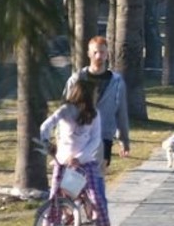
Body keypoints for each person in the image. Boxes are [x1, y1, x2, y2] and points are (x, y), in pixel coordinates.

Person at [40, 79, 110, 226]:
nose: (97, 95)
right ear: (86, 94)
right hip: (63, 163)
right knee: (55, 200)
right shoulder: (65, 110)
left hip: (86, 164)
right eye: (95, 93)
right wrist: (47, 143)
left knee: (97, 199)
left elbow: (95, 140)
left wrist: (79, 158)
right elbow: (45, 126)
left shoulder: (95, 114)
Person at [64, 36, 130, 169]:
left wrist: (124, 140)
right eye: (95, 52)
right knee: (76, 179)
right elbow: (65, 111)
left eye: (102, 52)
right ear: (89, 54)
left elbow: (121, 112)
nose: (99, 56)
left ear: (107, 54)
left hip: (103, 136)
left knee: (98, 178)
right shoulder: (76, 79)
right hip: (79, 137)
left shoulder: (117, 82)